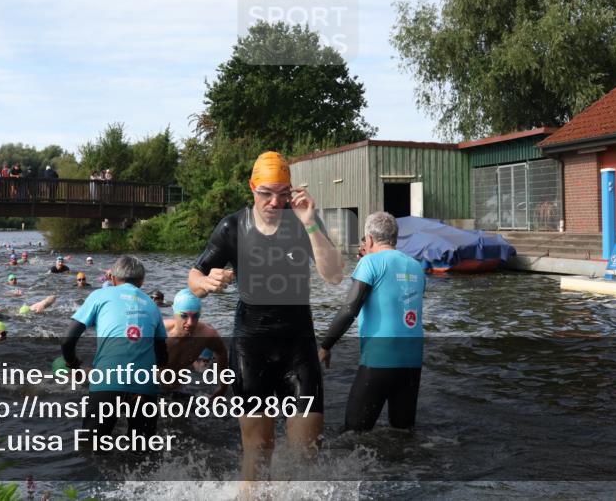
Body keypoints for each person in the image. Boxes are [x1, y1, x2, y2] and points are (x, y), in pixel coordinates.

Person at [188, 151, 343, 480]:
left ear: (292, 191)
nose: (275, 202)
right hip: (251, 348)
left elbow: (334, 275)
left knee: (307, 456)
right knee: (258, 456)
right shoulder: (233, 226)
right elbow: (194, 279)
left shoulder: (303, 222)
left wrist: (311, 222)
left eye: (283, 193)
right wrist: (206, 282)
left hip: (298, 348)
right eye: (266, 193)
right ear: (252, 188)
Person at [318, 212, 426, 432]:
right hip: (413, 360)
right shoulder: (417, 266)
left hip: (380, 359)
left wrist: (325, 345)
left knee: (354, 433)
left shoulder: (370, 262)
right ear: (394, 238)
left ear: (368, 240)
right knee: (402, 431)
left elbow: (350, 310)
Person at [61, 256, 168, 448]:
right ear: (142, 281)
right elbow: (162, 355)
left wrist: (73, 365)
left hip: (107, 382)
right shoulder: (152, 305)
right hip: (144, 386)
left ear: (113, 279)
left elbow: (68, 340)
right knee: (143, 455)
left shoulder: (99, 296)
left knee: (92, 452)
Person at [163, 289, 228, 397]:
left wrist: (223, 387)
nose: (190, 323)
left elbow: (221, 352)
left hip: (180, 389)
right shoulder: (159, 332)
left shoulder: (207, 334)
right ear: (174, 313)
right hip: (153, 387)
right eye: (184, 316)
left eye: (195, 316)